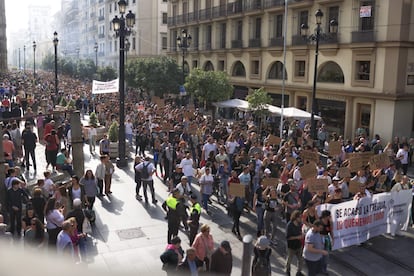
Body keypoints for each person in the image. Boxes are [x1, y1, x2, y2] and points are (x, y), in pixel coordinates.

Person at [285, 210, 304, 276]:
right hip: (291, 246)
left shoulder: (300, 224)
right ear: (296, 217)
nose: (301, 219)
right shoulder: (289, 225)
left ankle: (299, 272)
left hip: (299, 245)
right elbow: (288, 237)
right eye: (299, 217)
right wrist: (297, 237)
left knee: (300, 260)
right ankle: (287, 271)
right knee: (289, 260)